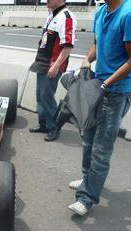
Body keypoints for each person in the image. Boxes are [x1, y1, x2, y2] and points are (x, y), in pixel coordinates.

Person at [68, 0, 131, 216]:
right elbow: (98, 43)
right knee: (87, 139)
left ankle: (86, 198)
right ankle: (87, 178)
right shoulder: (101, 11)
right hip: (97, 87)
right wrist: (86, 59)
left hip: (116, 92)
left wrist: (107, 83)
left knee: (101, 150)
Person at [29, 0, 76, 142]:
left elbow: (68, 46)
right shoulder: (52, 14)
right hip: (42, 61)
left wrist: (56, 65)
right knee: (40, 96)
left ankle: (53, 127)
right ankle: (43, 124)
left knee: (47, 97)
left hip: (52, 64)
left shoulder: (66, 17)